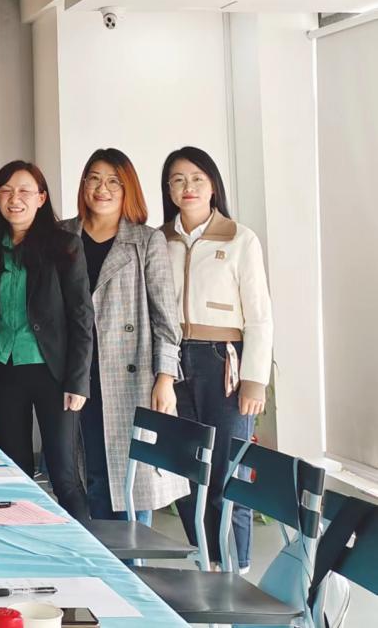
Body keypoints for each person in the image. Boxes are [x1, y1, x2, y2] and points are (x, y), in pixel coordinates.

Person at [161, 146, 272, 574]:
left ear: (212, 185)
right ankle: (206, 564)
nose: (187, 187)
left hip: (223, 364)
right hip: (174, 363)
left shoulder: (241, 239)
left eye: (196, 178)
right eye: (177, 179)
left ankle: (235, 570)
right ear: (169, 189)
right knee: (188, 472)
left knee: (228, 473)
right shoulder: (159, 240)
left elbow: (259, 316)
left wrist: (255, 380)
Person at [60, 148, 186, 525]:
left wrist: (166, 377)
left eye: (114, 181)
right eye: (95, 179)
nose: (103, 189)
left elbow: (166, 318)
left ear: (128, 187)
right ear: (83, 184)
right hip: (75, 374)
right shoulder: (62, 235)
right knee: (85, 475)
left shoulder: (146, 241)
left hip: (130, 376)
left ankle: (132, 558)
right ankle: (95, 553)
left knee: (132, 479)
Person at [0, 161, 92, 519]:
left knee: (64, 475)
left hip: (52, 373)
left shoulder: (65, 245)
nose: (15, 199)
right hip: (3, 370)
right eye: (6, 191)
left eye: (25, 191)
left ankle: (82, 547)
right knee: (14, 472)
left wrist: (78, 380)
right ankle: (23, 540)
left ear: (41, 198)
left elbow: (81, 316)